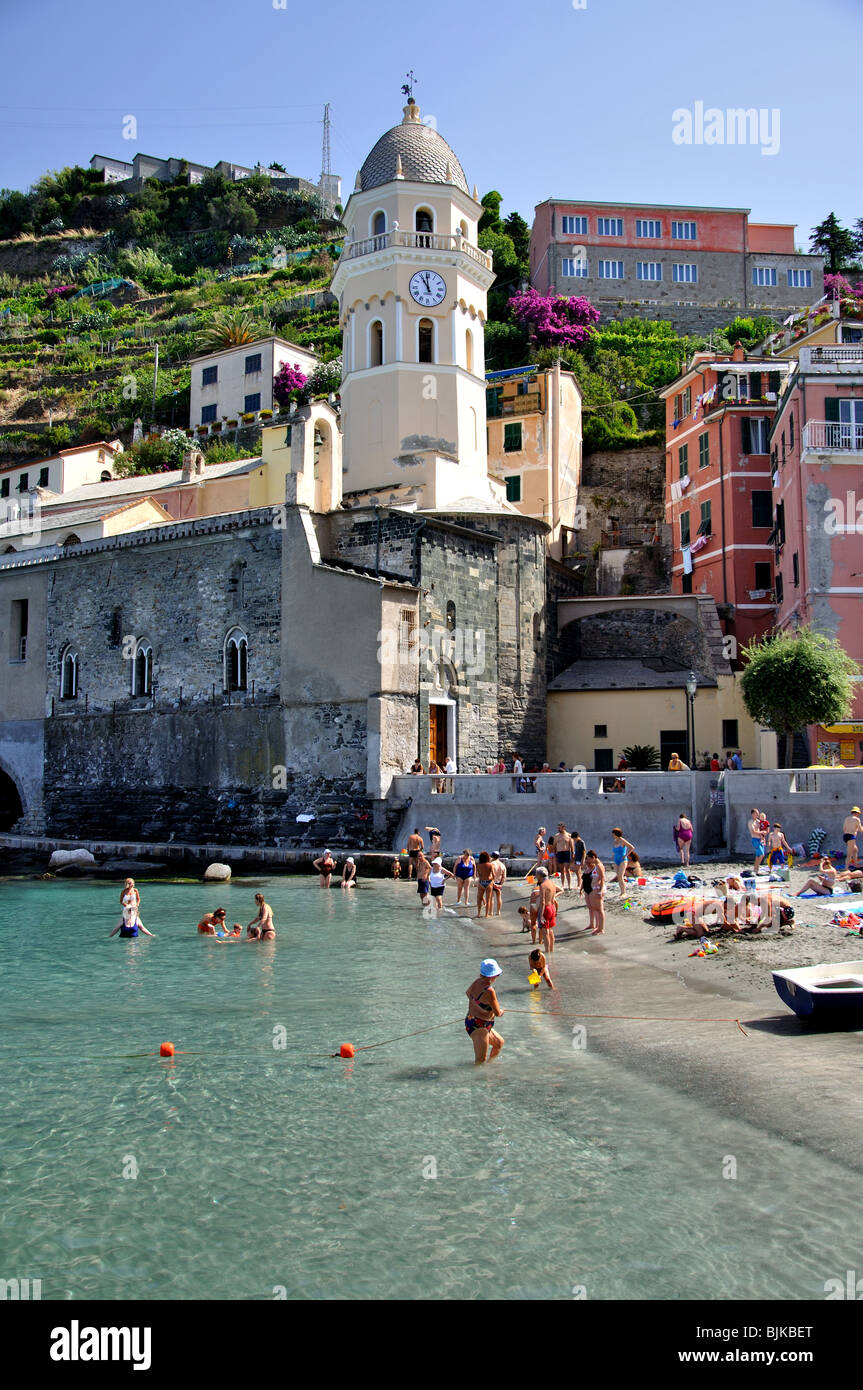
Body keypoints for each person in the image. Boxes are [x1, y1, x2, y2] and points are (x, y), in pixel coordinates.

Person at [464, 959, 505, 1065]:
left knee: (499, 1043)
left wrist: (478, 1008)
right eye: (497, 975)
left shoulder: (477, 981)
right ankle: (478, 1079)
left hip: (475, 1021)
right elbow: (497, 1013)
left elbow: (468, 993)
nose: (497, 977)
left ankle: (490, 1066)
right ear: (492, 975)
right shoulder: (490, 991)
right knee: (480, 1060)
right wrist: (501, 1011)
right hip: (478, 1026)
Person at [536, 866, 562, 953]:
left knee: (545, 932)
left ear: (540, 875)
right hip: (552, 907)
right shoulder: (551, 883)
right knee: (550, 930)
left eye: (537, 875)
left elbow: (542, 902)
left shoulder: (543, 886)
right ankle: (552, 950)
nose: (536, 877)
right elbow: (561, 890)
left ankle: (547, 952)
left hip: (546, 909)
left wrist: (540, 916)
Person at [584, 850, 606, 935]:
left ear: (593, 857)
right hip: (594, 888)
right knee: (596, 909)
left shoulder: (599, 866)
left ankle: (601, 929)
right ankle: (598, 927)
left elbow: (602, 878)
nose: (588, 860)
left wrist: (600, 890)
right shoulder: (596, 865)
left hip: (597, 888)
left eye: (589, 858)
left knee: (599, 909)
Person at [610, 827, 636, 893]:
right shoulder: (615, 841)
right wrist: (613, 856)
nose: (612, 835)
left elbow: (631, 847)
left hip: (623, 860)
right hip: (616, 860)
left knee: (620, 876)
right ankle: (621, 890)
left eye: (613, 834)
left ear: (616, 834)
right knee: (618, 876)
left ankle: (623, 892)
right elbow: (614, 850)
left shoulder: (622, 840)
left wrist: (626, 855)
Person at [555, 823, 575, 890]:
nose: (558, 829)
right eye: (558, 828)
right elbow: (554, 846)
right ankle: (563, 885)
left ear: (563, 828)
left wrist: (572, 854)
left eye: (559, 828)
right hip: (560, 853)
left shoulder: (569, 835)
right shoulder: (556, 836)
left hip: (566, 852)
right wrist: (555, 854)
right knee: (561, 870)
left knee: (567, 869)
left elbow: (572, 845)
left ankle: (569, 885)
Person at [475, 851, 494, 919]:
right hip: (489, 882)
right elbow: (493, 875)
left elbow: (479, 875)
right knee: (488, 899)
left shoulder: (479, 865)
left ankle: (479, 913)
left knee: (479, 898)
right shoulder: (490, 865)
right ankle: (486, 914)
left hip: (481, 882)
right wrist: (491, 879)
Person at [748, 808, 766, 874]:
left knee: (759, 855)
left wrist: (763, 836)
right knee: (761, 854)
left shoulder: (759, 821)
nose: (758, 815)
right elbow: (753, 831)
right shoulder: (751, 822)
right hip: (755, 839)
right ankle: (756, 868)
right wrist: (761, 832)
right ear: (753, 814)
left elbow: (764, 828)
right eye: (756, 813)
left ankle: (756, 869)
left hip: (760, 839)